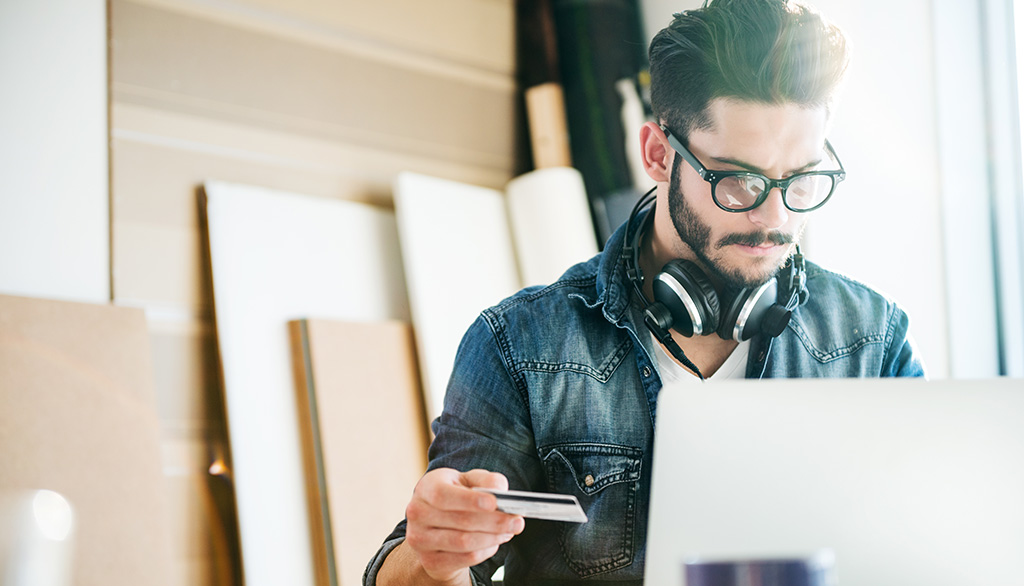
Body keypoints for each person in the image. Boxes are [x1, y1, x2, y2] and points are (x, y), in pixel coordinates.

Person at [366, 0, 925, 584]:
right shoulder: (521, 346)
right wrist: (437, 555)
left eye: (803, 180)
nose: (774, 218)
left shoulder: (873, 341)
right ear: (659, 154)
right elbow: (420, 569)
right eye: (739, 181)